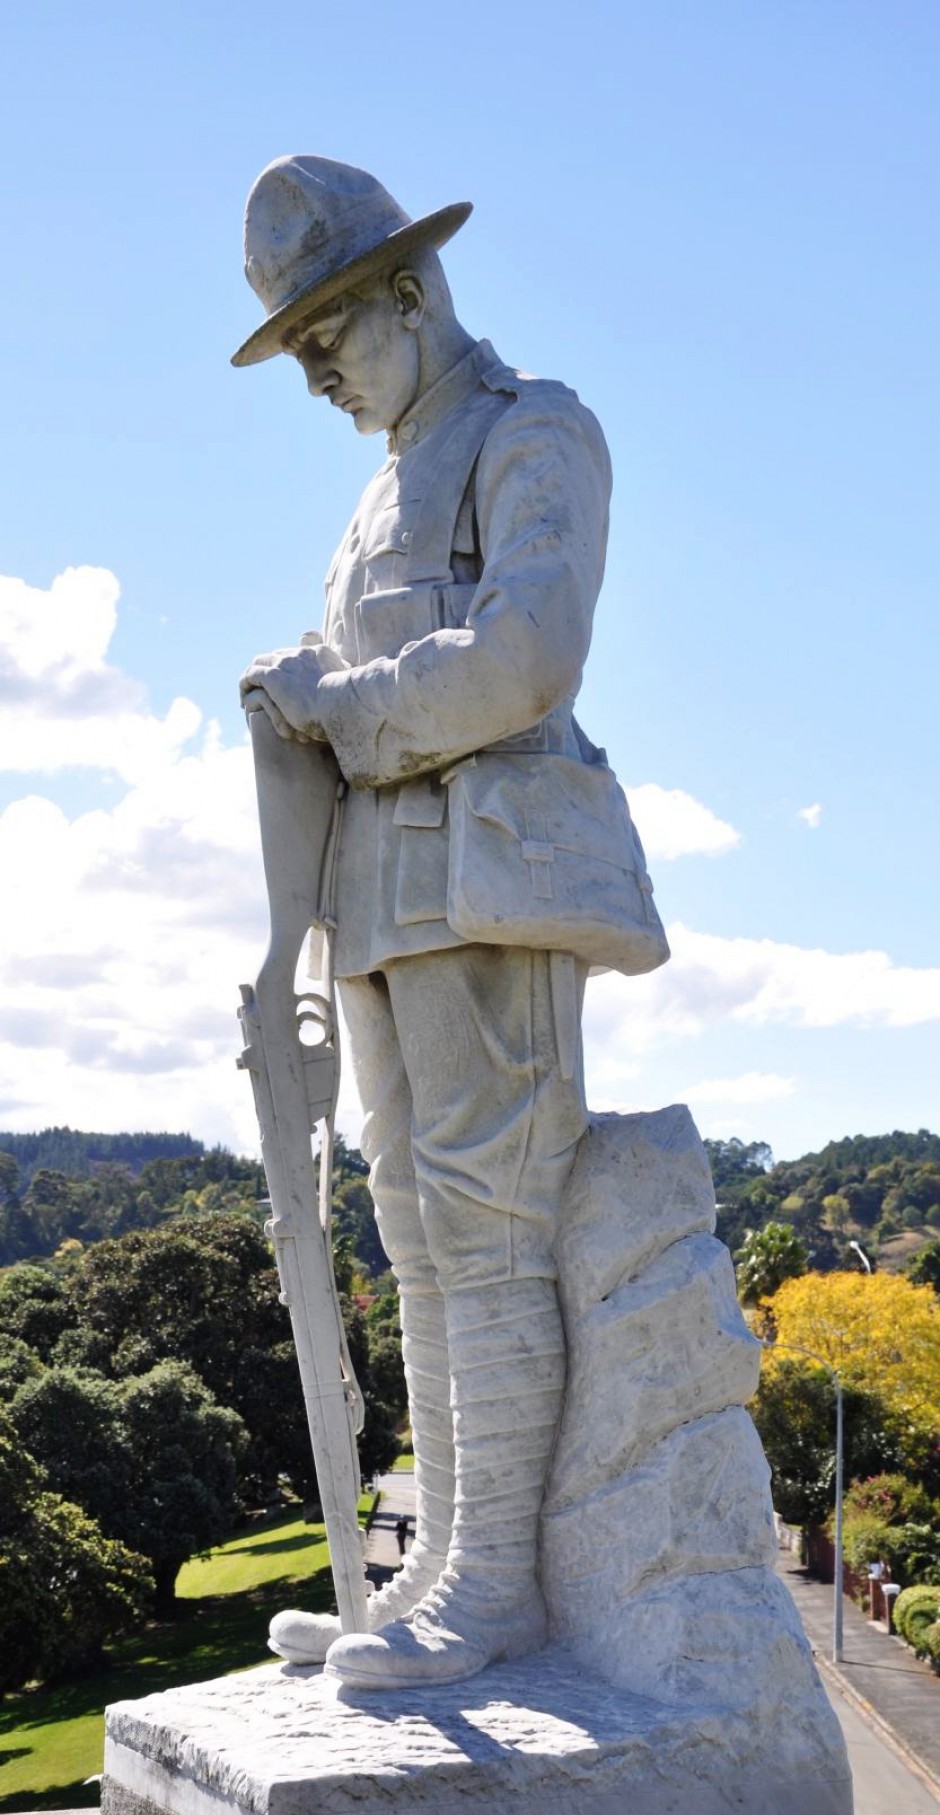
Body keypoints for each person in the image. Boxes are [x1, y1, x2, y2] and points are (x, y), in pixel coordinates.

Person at [234, 155, 666, 1690]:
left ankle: (498, 1592)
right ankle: (432, 1578)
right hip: (381, 902)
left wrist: (340, 703)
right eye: (300, 350)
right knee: (416, 1227)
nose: (319, 378)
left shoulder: (532, 429)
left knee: (489, 1223)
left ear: (410, 293)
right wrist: (297, 694)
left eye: (329, 337)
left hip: (491, 882)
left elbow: (527, 652)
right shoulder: (377, 498)